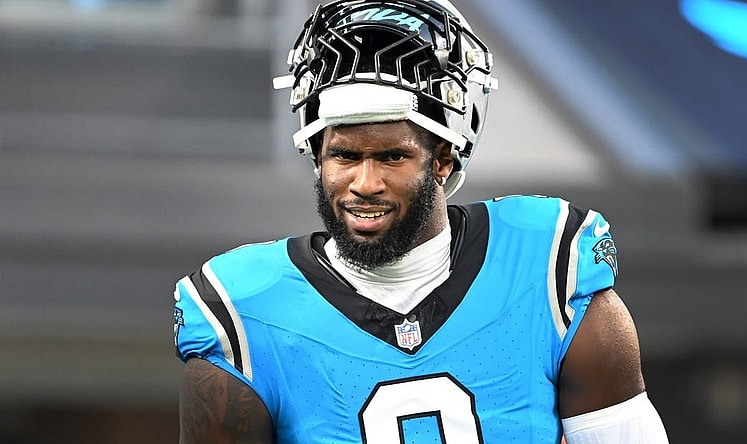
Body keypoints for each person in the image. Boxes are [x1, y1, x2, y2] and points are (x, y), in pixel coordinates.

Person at [173, 0, 669, 443]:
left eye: (392, 157)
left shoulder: (546, 268)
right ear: (315, 154)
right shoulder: (246, 310)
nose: (365, 182)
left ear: (443, 159)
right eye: (344, 155)